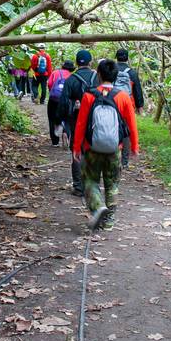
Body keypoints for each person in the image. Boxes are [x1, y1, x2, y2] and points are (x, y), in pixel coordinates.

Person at [72, 59, 139, 230]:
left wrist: (76, 147)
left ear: (99, 75)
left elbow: (80, 124)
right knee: (112, 184)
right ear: (116, 76)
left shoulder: (89, 96)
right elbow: (132, 124)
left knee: (89, 181)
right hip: (114, 149)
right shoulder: (123, 96)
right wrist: (134, 147)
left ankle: (97, 206)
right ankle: (108, 221)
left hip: (91, 148)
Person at [59, 49, 99, 197]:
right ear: (90, 62)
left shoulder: (71, 79)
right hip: (97, 119)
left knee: (77, 151)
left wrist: (63, 122)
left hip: (76, 119)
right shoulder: (97, 78)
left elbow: (63, 103)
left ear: (76, 63)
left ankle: (78, 186)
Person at [112, 48, 145, 167]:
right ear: (127, 58)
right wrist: (140, 106)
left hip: (113, 103)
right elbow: (137, 90)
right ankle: (124, 161)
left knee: (113, 128)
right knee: (126, 132)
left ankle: (113, 155)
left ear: (116, 57)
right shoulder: (132, 73)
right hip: (127, 105)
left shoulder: (111, 69)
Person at [47, 60, 74, 146]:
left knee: (51, 118)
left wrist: (52, 91)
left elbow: (50, 83)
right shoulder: (71, 76)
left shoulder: (55, 72)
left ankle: (55, 142)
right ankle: (65, 133)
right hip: (66, 100)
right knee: (66, 118)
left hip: (54, 99)